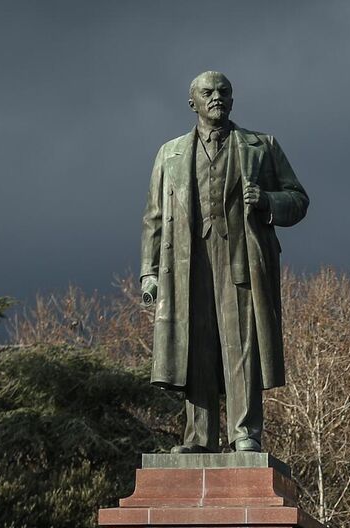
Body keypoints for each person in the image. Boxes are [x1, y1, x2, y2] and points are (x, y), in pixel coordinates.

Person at [139, 71, 308, 453]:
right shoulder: (170, 154)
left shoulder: (260, 146)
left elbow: (298, 200)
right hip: (187, 264)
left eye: (223, 92)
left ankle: (243, 432)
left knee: (241, 346)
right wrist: (149, 272)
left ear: (232, 100)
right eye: (207, 92)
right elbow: (153, 217)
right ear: (192, 102)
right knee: (194, 346)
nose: (216, 97)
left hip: (242, 262)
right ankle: (198, 438)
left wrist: (266, 200)